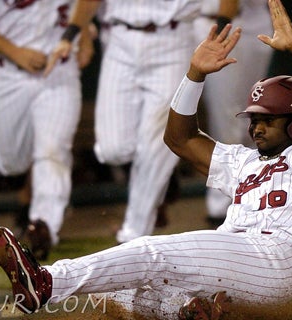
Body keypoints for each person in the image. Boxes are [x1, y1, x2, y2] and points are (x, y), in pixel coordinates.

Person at [0, 0, 292, 318]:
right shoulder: (244, 162)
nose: (256, 127)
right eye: (253, 118)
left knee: (149, 251)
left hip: (275, 257)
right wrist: (194, 75)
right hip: (233, 258)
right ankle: (191, 311)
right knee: (124, 292)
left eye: (267, 119)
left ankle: (48, 282)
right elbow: (180, 138)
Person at [46, 0, 227, 244]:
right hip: (120, 40)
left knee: (155, 142)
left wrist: (223, 26)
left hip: (173, 38)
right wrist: (70, 35)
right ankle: (162, 182)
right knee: (113, 150)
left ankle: (132, 234)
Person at [0, 0, 94, 260]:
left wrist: (85, 35)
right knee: (10, 164)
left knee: (53, 150)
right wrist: (15, 52)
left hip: (59, 71)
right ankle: (4, 160)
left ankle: (44, 225)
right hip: (9, 75)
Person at [193, 0, 273, 228]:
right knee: (228, 119)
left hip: (245, 23)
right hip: (196, 24)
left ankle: (245, 200)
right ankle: (225, 204)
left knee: (248, 116)